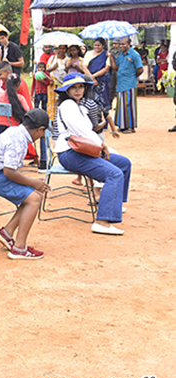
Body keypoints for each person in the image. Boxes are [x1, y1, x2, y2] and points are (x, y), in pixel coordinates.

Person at [54, 73, 131, 236]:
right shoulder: (67, 105)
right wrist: (102, 145)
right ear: (66, 90)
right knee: (114, 174)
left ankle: (114, 204)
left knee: (124, 164)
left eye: (80, 86)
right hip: (70, 153)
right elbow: (81, 131)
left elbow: (89, 130)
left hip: (82, 150)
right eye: (73, 87)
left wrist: (101, 144)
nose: (77, 90)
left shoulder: (79, 106)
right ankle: (102, 221)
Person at [0, 109, 50, 260]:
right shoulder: (18, 140)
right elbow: (9, 172)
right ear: (40, 129)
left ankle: (7, 233)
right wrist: (33, 182)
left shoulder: (17, 132)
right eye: (43, 133)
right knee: (34, 199)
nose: (42, 136)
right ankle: (19, 247)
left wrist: (32, 185)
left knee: (34, 195)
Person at [112, 37, 144, 133]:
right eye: (120, 44)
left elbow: (140, 69)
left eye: (123, 44)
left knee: (129, 105)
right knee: (121, 105)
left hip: (130, 84)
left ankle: (131, 127)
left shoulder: (134, 55)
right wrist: (111, 58)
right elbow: (116, 68)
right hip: (120, 84)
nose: (121, 46)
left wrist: (132, 76)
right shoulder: (121, 55)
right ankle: (122, 125)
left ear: (129, 44)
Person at [84, 38, 113, 114]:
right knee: (90, 101)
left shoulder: (106, 54)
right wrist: (91, 78)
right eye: (95, 45)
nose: (97, 47)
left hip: (103, 81)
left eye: (99, 45)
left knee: (104, 101)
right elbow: (84, 67)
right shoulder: (88, 53)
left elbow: (107, 67)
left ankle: (105, 122)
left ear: (103, 45)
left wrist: (94, 76)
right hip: (90, 81)